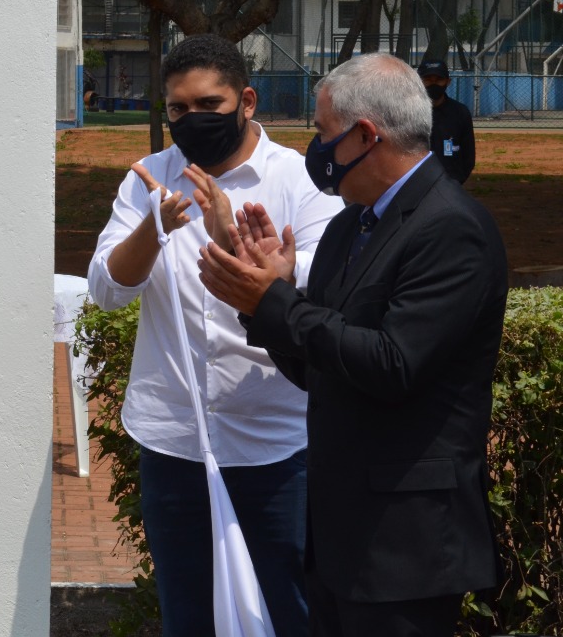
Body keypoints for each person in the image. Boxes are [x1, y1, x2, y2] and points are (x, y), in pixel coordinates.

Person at [197, 52, 506, 637]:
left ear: (367, 135)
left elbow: (393, 364)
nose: (318, 149)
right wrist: (268, 297)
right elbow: (326, 366)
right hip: (340, 535)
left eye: (323, 133)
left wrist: (275, 303)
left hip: (405, 545)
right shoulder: (352, 224)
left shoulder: (451, 228)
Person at [87, 34, 343, 637]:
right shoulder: (150, 178)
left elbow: (330, 279)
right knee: (190, 613)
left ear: (246, 101)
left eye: (209, 105)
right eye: (178, 109)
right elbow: (107, 288)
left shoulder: (299, 180)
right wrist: (155, 225)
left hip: (276, 444)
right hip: (175, 441)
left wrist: (242, 250)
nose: (192, 120)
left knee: (287, 610)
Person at [418, 58, 475, 183]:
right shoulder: (408, 113)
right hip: (417, 186)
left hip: (450, 185)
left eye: (439, 80)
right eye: (428, 80)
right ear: (419, 82)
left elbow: (468, 157)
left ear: (448, 82)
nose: (434, 84)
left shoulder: (460, 113)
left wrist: (455, 183)